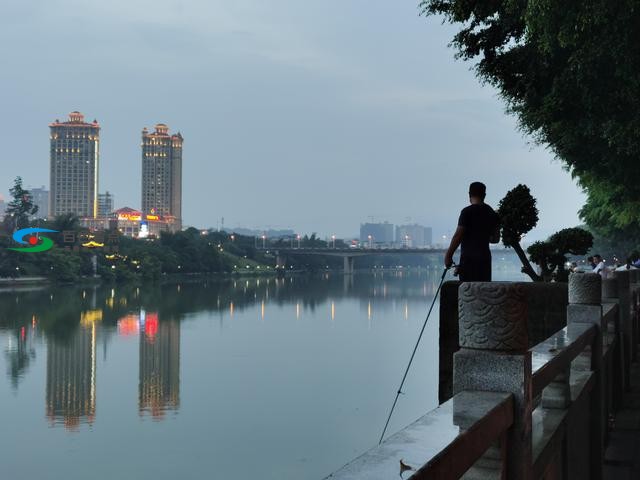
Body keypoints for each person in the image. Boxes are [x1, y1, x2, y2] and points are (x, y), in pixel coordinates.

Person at [444, 182, 500, 281]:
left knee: (468, 292)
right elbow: (495, 239)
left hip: (468, 259)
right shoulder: (492, 213)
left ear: (469, 194)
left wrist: (448, 256)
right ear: (484, 195)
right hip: (485, 259)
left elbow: (458, 236)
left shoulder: (467, 212)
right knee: (483, 290)